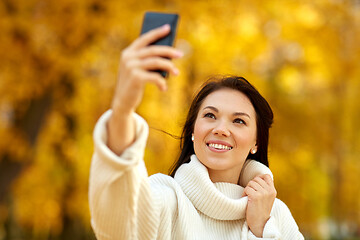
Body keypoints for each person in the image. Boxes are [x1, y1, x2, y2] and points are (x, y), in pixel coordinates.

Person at [89, 24, 304, 240]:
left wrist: (261, 230)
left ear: (256, 142)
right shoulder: (166, 199)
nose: (220, 129)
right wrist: (122, 111)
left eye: (238, 121)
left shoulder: (275, 215)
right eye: (210, 116)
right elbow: (119, 229)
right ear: (193, 130)